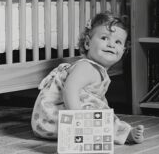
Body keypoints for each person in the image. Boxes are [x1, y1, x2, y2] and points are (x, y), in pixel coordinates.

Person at [31, 12, 145, 144]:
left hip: (48, 123)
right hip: (56, 118)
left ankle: (119, 131)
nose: (111, 44)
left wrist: (105, 113)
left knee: (101, 113)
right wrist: (78, 118)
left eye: (118, 42)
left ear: (123, 50)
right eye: (104, 38)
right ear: (87, 43)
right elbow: (70, 90)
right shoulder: (85, 67)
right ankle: (124, 133)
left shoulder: (97, 70)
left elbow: (98, 100)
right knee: (97, 116)